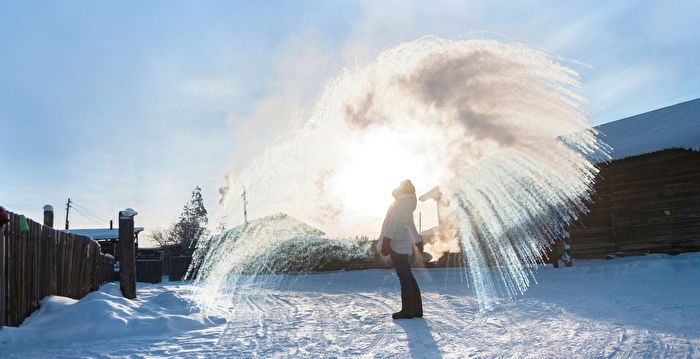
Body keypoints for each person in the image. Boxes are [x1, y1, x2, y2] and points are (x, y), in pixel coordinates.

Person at [377, 179, 424, 319]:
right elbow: (411, 225)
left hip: (396, 244)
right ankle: (416, 309)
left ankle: (408, 311)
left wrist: (386, 240)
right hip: (403, 243)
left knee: (404, 276)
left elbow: (392, 222)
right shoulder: (408, 205)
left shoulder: (400, 203)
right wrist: (417, 241)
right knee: (408, 275)